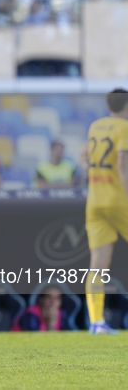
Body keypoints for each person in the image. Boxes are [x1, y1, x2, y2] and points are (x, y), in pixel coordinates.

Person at [84, 88, 128, 335]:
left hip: (95, 200)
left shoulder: (95, 127)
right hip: (117, 199)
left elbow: (84, 155)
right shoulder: (123, 127)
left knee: (97, 266)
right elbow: (122, 164)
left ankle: (96, 322)